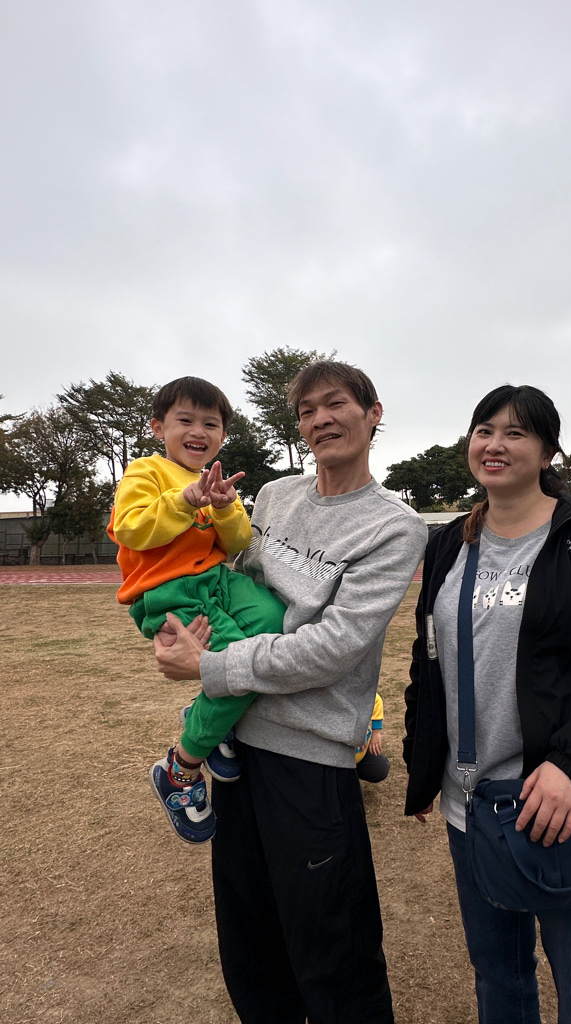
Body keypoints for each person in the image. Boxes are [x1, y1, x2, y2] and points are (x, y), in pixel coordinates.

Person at [153, 360, 428, 1024]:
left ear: (373, 414)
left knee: (334, 949)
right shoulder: (276, 495)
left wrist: (212, 668)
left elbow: (334, 648)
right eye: (307, 411)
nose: (320, 420)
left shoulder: (394, 526)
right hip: (238, 748)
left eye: (335, 405)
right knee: (250, 939)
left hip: (310, 756)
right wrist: (175, 618)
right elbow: (233, 580)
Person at [403, 384, 571, 1024]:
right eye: (484, 430)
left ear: (549, 451)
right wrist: (424, 763)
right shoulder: (449, 544)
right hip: (472, 807)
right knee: (499, 980)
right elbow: (429, 658)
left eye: (516, 432)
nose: (494, 445)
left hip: (563, 804)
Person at [108, 376, 285, 844]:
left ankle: (207, 713)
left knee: (273, 620)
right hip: (169, 591)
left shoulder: (218, 482)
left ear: (222, 434)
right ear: (158, 427)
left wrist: (225, 508)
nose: (198, 431)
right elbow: (131, 529)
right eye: (185, 420)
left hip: (218, 580)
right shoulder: (146, 471)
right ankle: (180, 769)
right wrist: (184, 500)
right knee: (234, 665)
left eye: (211, 423)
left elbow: (238, 542)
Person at [355, 692, 390, 783]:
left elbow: (375, 699)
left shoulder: (355, 690)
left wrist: (376, 731)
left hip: (360, 751)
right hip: (335, 753)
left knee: (379, 769)